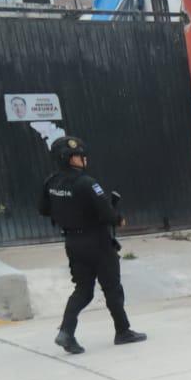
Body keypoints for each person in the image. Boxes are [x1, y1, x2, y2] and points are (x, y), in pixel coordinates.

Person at [40, 136, 145, 355]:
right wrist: (118, 219)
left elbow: (43, 209)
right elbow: (107, 214)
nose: (84, 159)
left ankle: (66, 332)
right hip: (97, 241)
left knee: (83, 290)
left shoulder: (51, 182)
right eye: (79, 155)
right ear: (69, 158)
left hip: (72, 242)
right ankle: (123, 331)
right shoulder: (87, 183)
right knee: (112, 288)